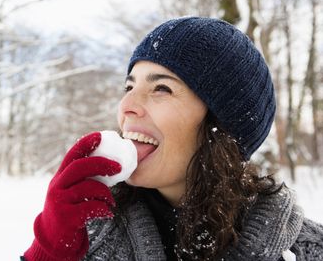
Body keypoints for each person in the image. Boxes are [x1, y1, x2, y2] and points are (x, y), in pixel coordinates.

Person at [22, 17, 323, 260]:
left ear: (221, 125)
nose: (127, 107)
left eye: (161, 89)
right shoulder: (87, 236)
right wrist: (48, 252)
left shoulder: (305, 251)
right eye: (129, 87)